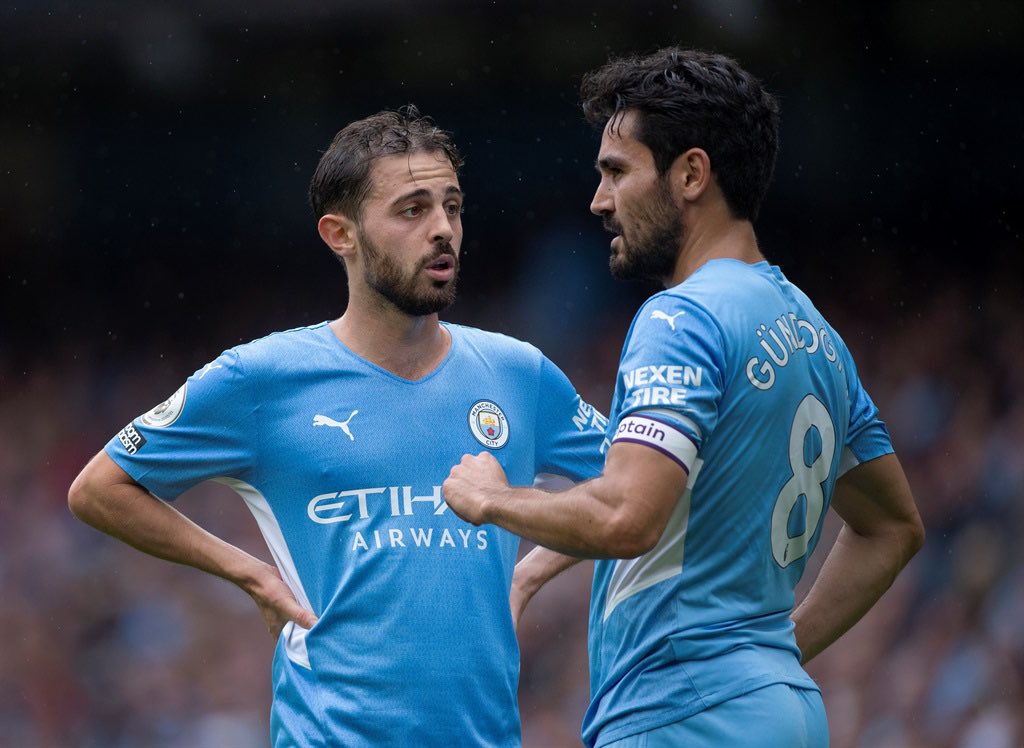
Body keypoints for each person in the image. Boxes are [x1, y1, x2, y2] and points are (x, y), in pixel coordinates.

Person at [67, 105, 608, 747]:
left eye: (452, 207)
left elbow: (640, 488)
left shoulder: (521, 374)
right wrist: (250, 574)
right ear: (339, 235)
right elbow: (99, 489)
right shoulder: (260, 378)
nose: (443, 230)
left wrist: (529, 572)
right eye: (413, 210)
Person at [443, 48, 926, 748]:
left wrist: (491, 497)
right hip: (780, 713)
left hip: (680, 716)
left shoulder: (682, 317)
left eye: (616, 172)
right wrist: (772, 658)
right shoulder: (816, 335)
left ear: (692, 174)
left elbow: (629, 516)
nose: (599, 200)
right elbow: (893, 528)